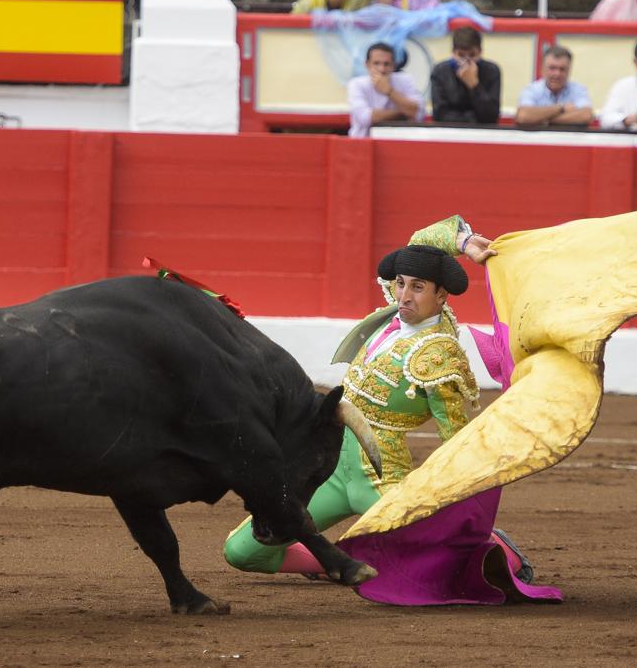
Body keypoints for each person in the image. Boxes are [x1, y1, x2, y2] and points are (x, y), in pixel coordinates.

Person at [222, 218, 536, 587]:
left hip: (383, 475)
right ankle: (334, 562)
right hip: (333, 465)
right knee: (244, 551)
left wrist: (456, 506)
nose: (404, 295)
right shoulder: (393, 320)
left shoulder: (439, 353)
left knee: (436, 557)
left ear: (440, 296)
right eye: (400, 284)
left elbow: (456, 437)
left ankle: (499, 547)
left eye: (418, 288)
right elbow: (419, 245)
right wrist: (464, 242)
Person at [348, 43, 424, 138]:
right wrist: (402, 113)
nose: (382, 69)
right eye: (376, 63)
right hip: (364, 143)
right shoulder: (356, 84)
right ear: (367, 65)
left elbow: (416, 112)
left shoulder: (405, 80)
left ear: (393, 66)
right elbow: (365, 118)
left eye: (386, 64)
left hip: (400, 141)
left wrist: (389, 91)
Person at [430, 26, 503, 124]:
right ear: (453, 53)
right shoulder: (440, 71)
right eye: (461, 55)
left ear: (480, 52)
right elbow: (440, 115)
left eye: (472, 55)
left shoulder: (492, 71)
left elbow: (491, 116)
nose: (466, 61)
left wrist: (474, 85)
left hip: (483, 133)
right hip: (449, 132)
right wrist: (472, 119)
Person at [515, 46, 594, 126]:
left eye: (562, 69)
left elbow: (586, 116)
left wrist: (545, 120)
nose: (557, 74)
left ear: (569, 70)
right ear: (542, 69)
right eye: (552, 68)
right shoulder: (531, 90)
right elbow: (523, 116)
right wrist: (561, 108)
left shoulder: (579, 90)